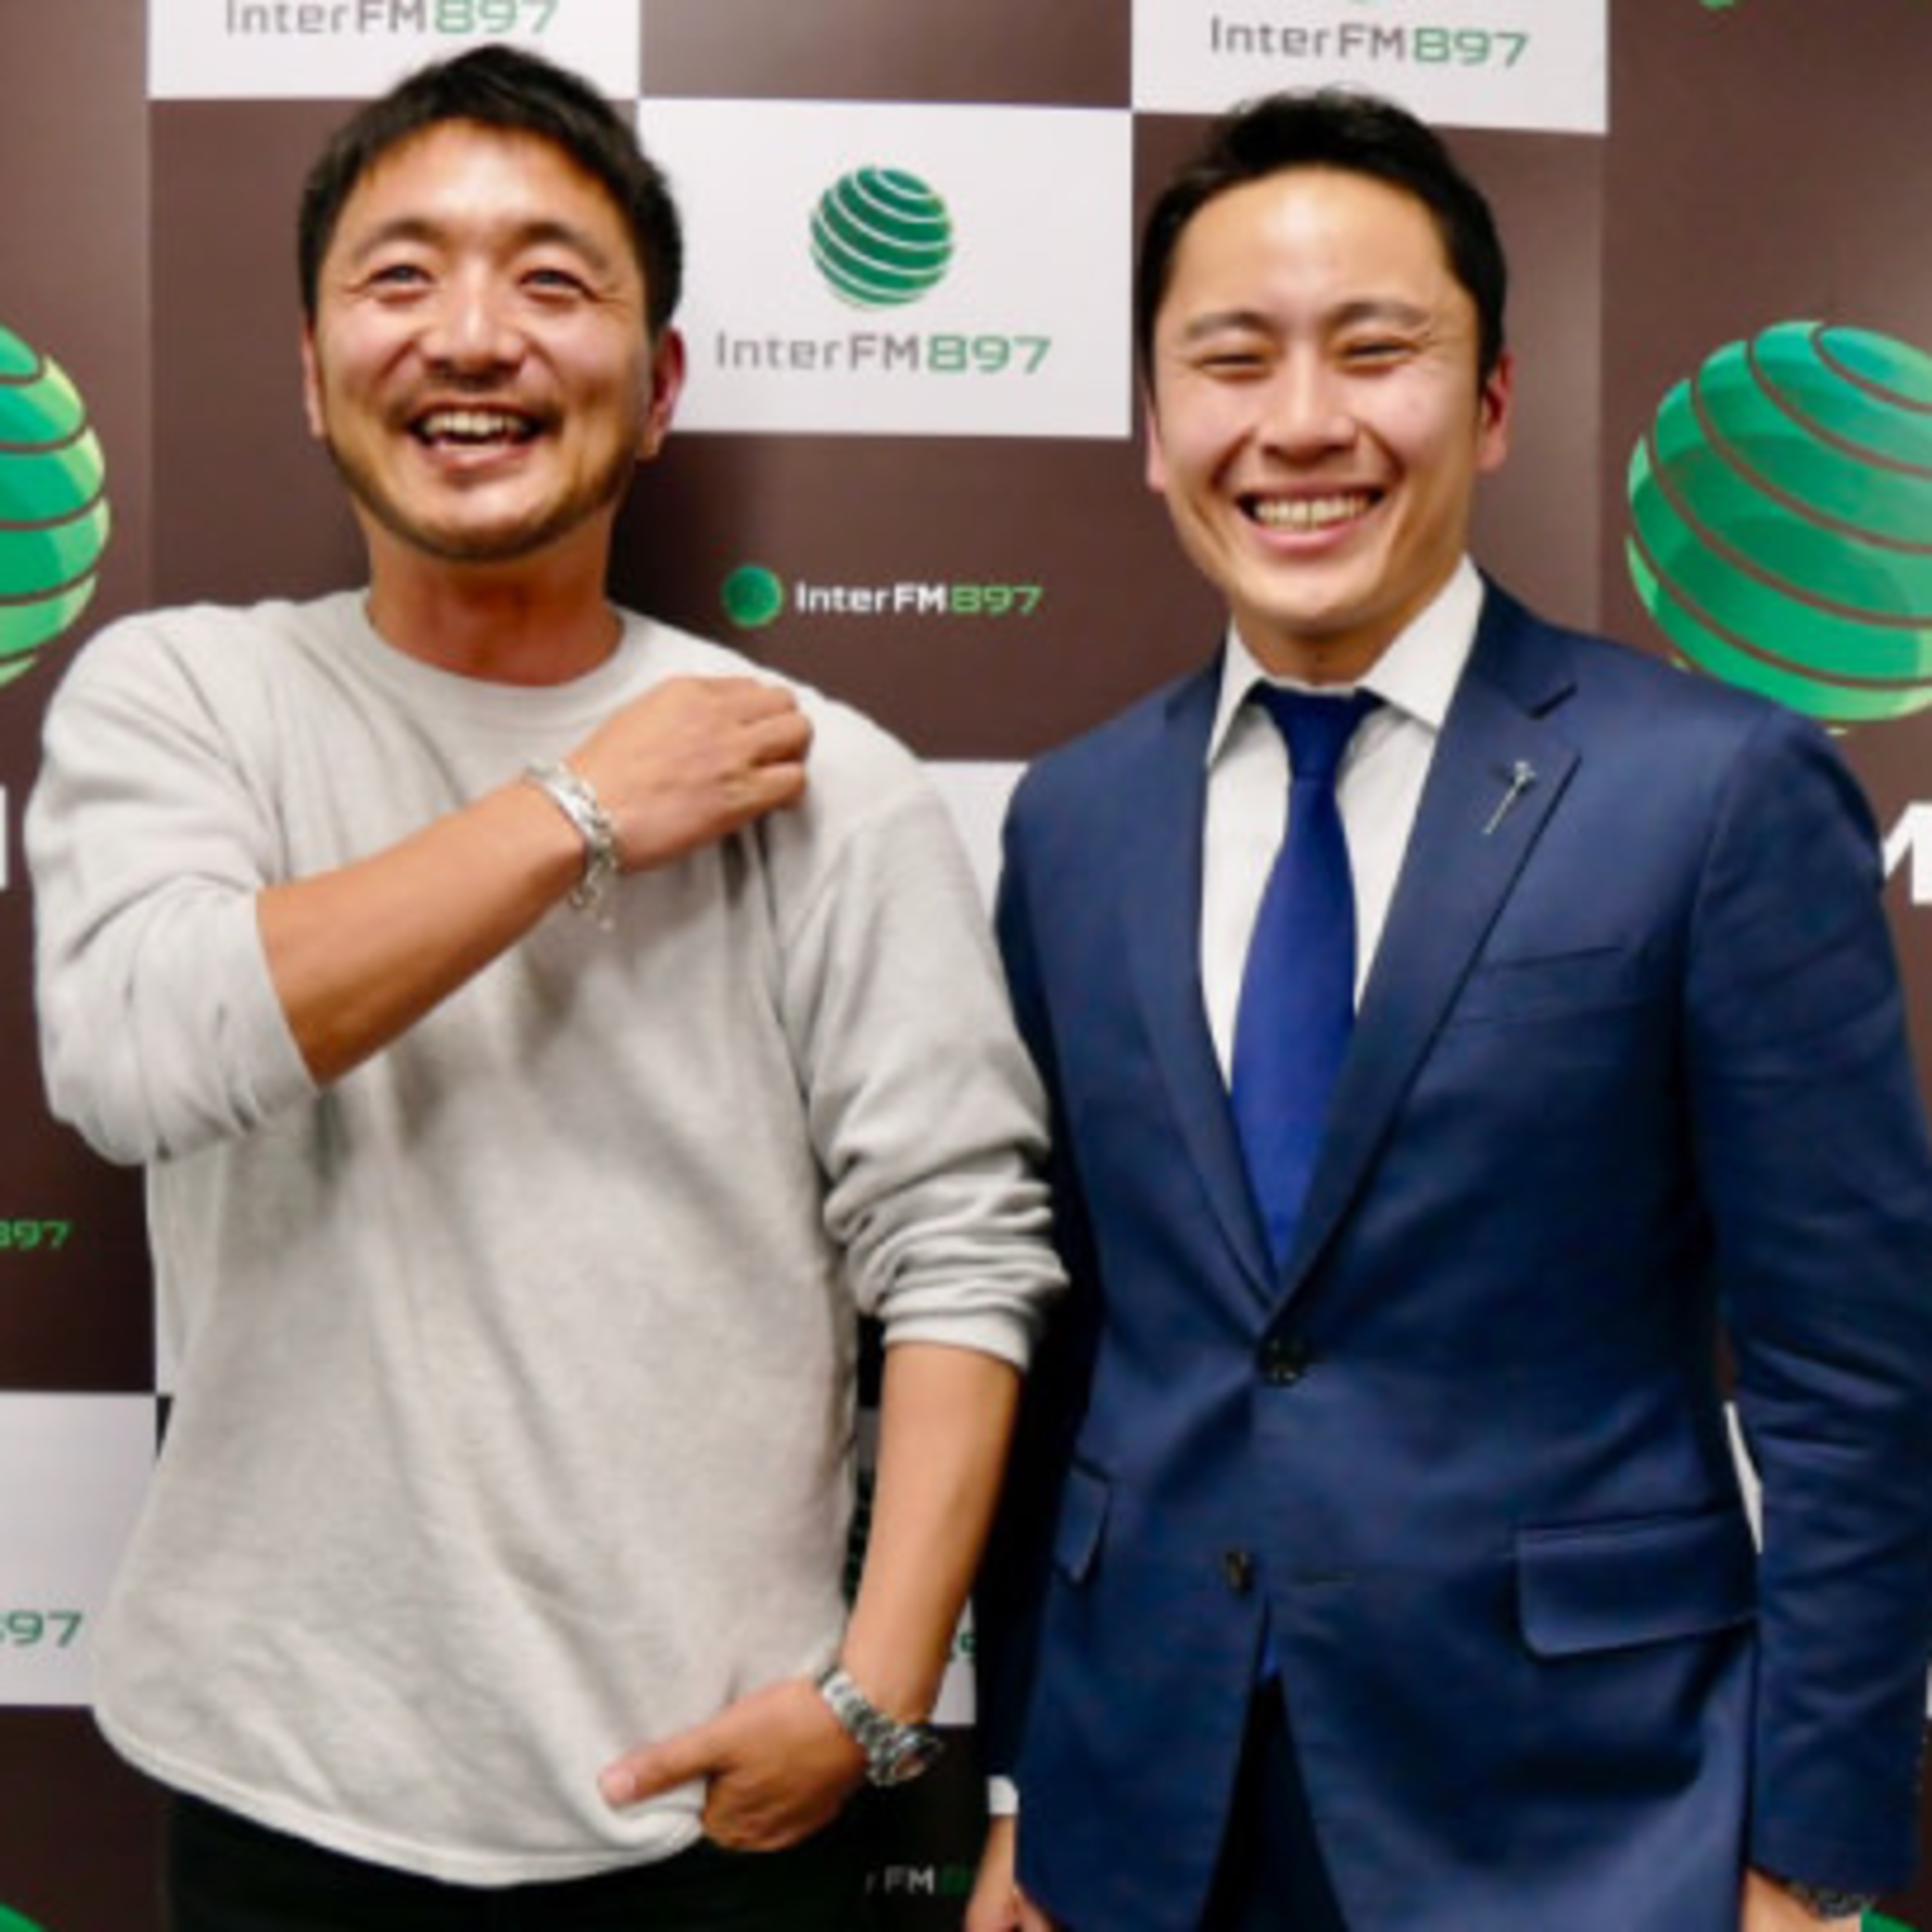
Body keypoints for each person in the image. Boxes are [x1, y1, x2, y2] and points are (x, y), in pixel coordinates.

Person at [26, 43, 1063, 1931]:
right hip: (281, 1792)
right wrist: (577, 812)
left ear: (657, 387)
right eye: (402, 276)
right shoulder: (186, 697)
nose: (473, 335)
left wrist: (874, 1695)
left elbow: (959, 1252)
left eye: (553, 281)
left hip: (714, 1811)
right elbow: (137, 1053)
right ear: (314, 371)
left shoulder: (816, 772)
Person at [965, 89, 1932, 1932]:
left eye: (1374, 350)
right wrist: (1027, 1776)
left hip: (1584, 1824)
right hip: (1144, 1811)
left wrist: (1806, 1859)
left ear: (1489, 404)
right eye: (1231, 360)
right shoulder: (1073, 821)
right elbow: (1064, 1336)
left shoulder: (1716, 790)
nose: (1300, 423)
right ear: (1155, 430)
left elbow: (1854, 1381)